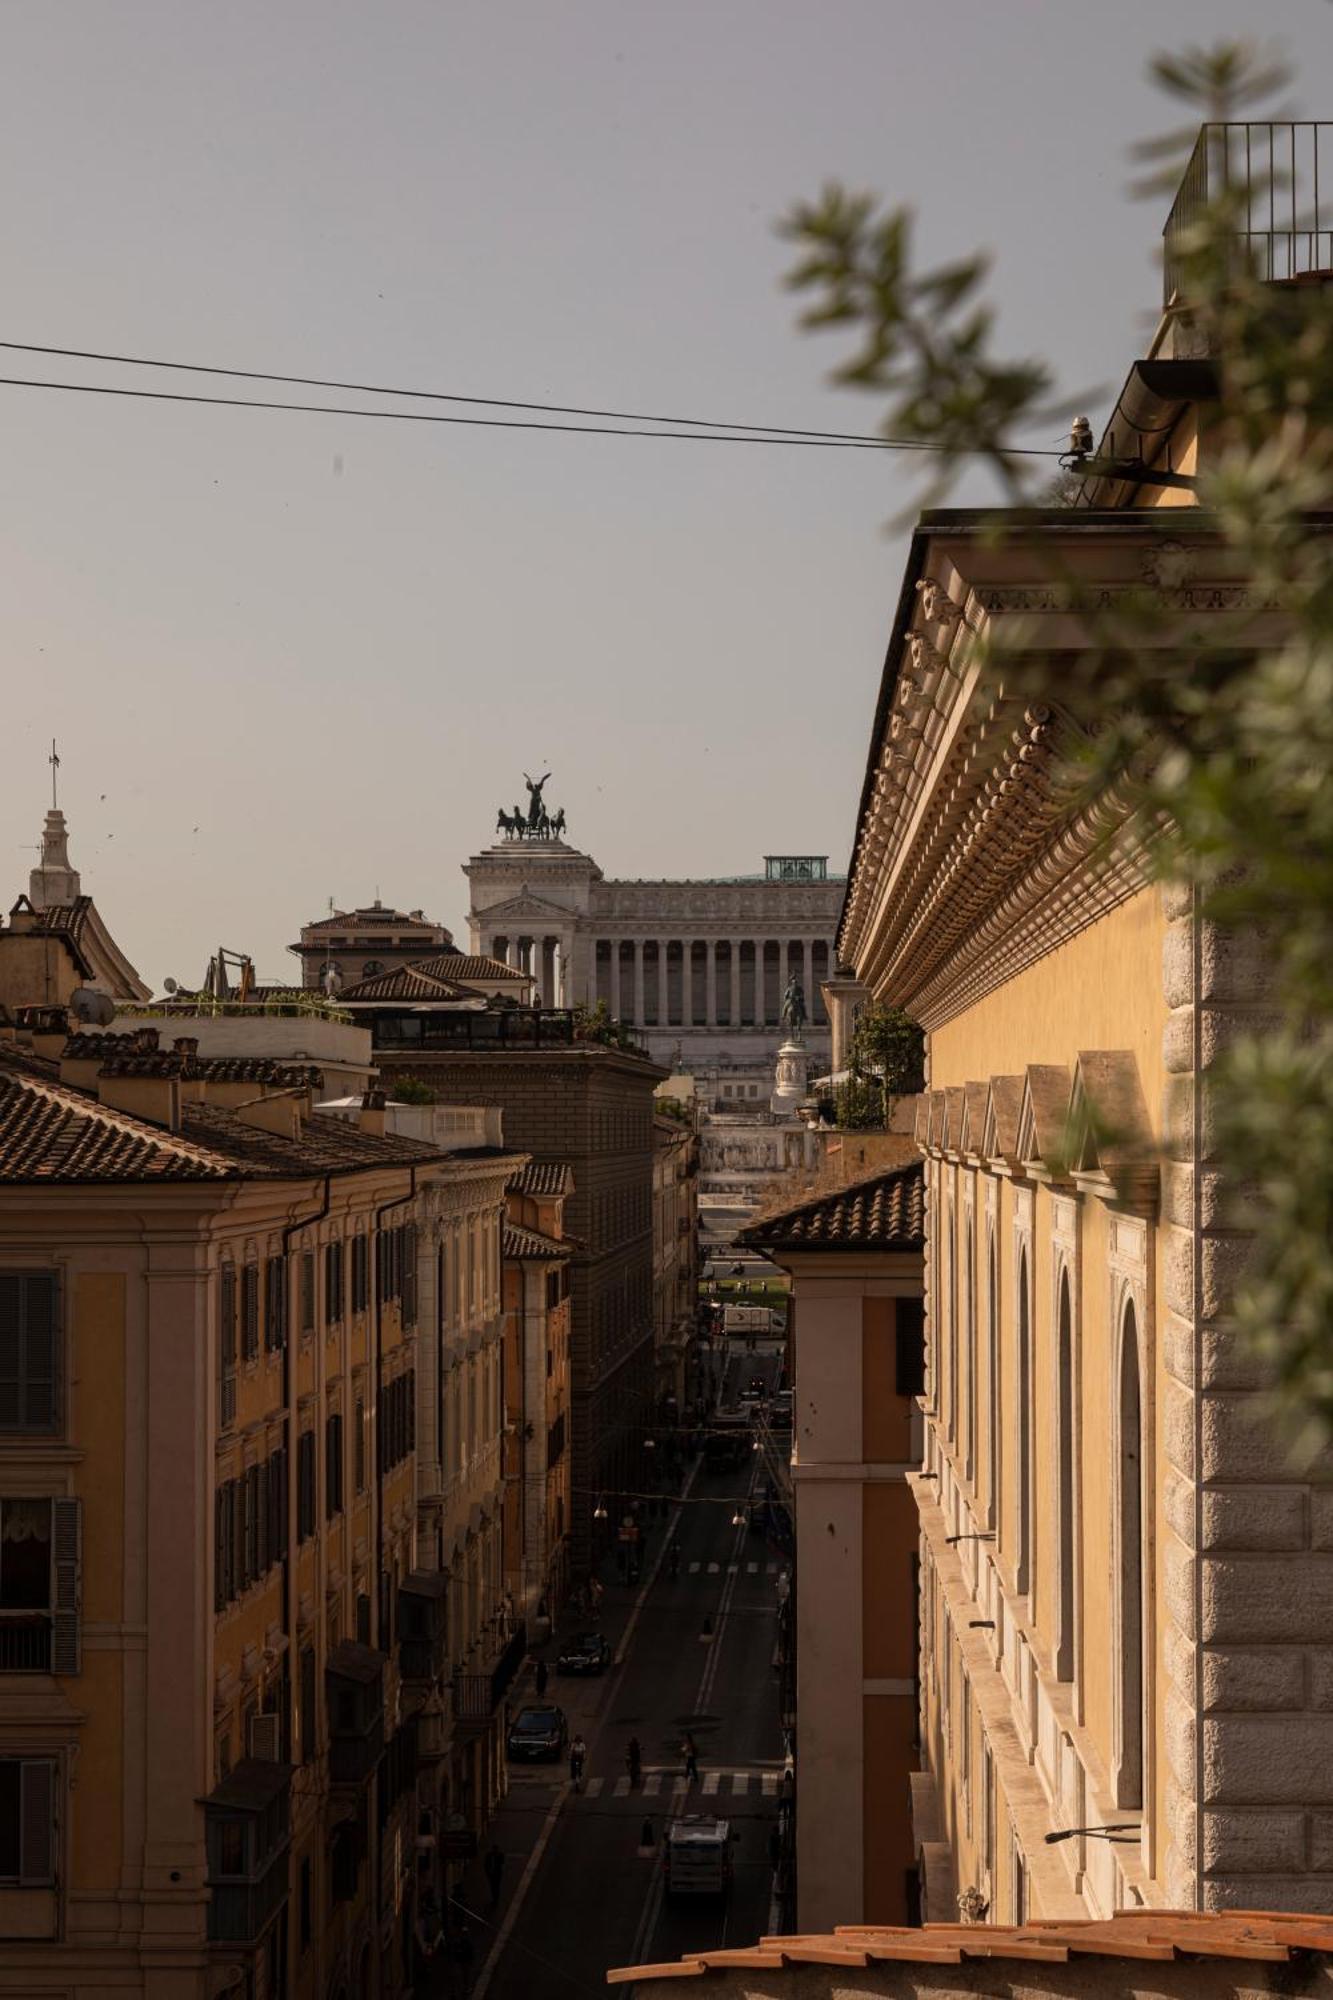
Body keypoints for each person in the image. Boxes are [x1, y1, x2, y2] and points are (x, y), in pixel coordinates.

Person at [483, 1842, 505, 1911]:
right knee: (492, 1887)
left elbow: (502, 1862)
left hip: (497, 1873)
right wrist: (487, 1872)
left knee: (496, 1886)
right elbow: (486, 1864)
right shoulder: (488, 1855)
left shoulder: (500, 1855)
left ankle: (496, 1899)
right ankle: (494, 1898)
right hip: (491, 1874)